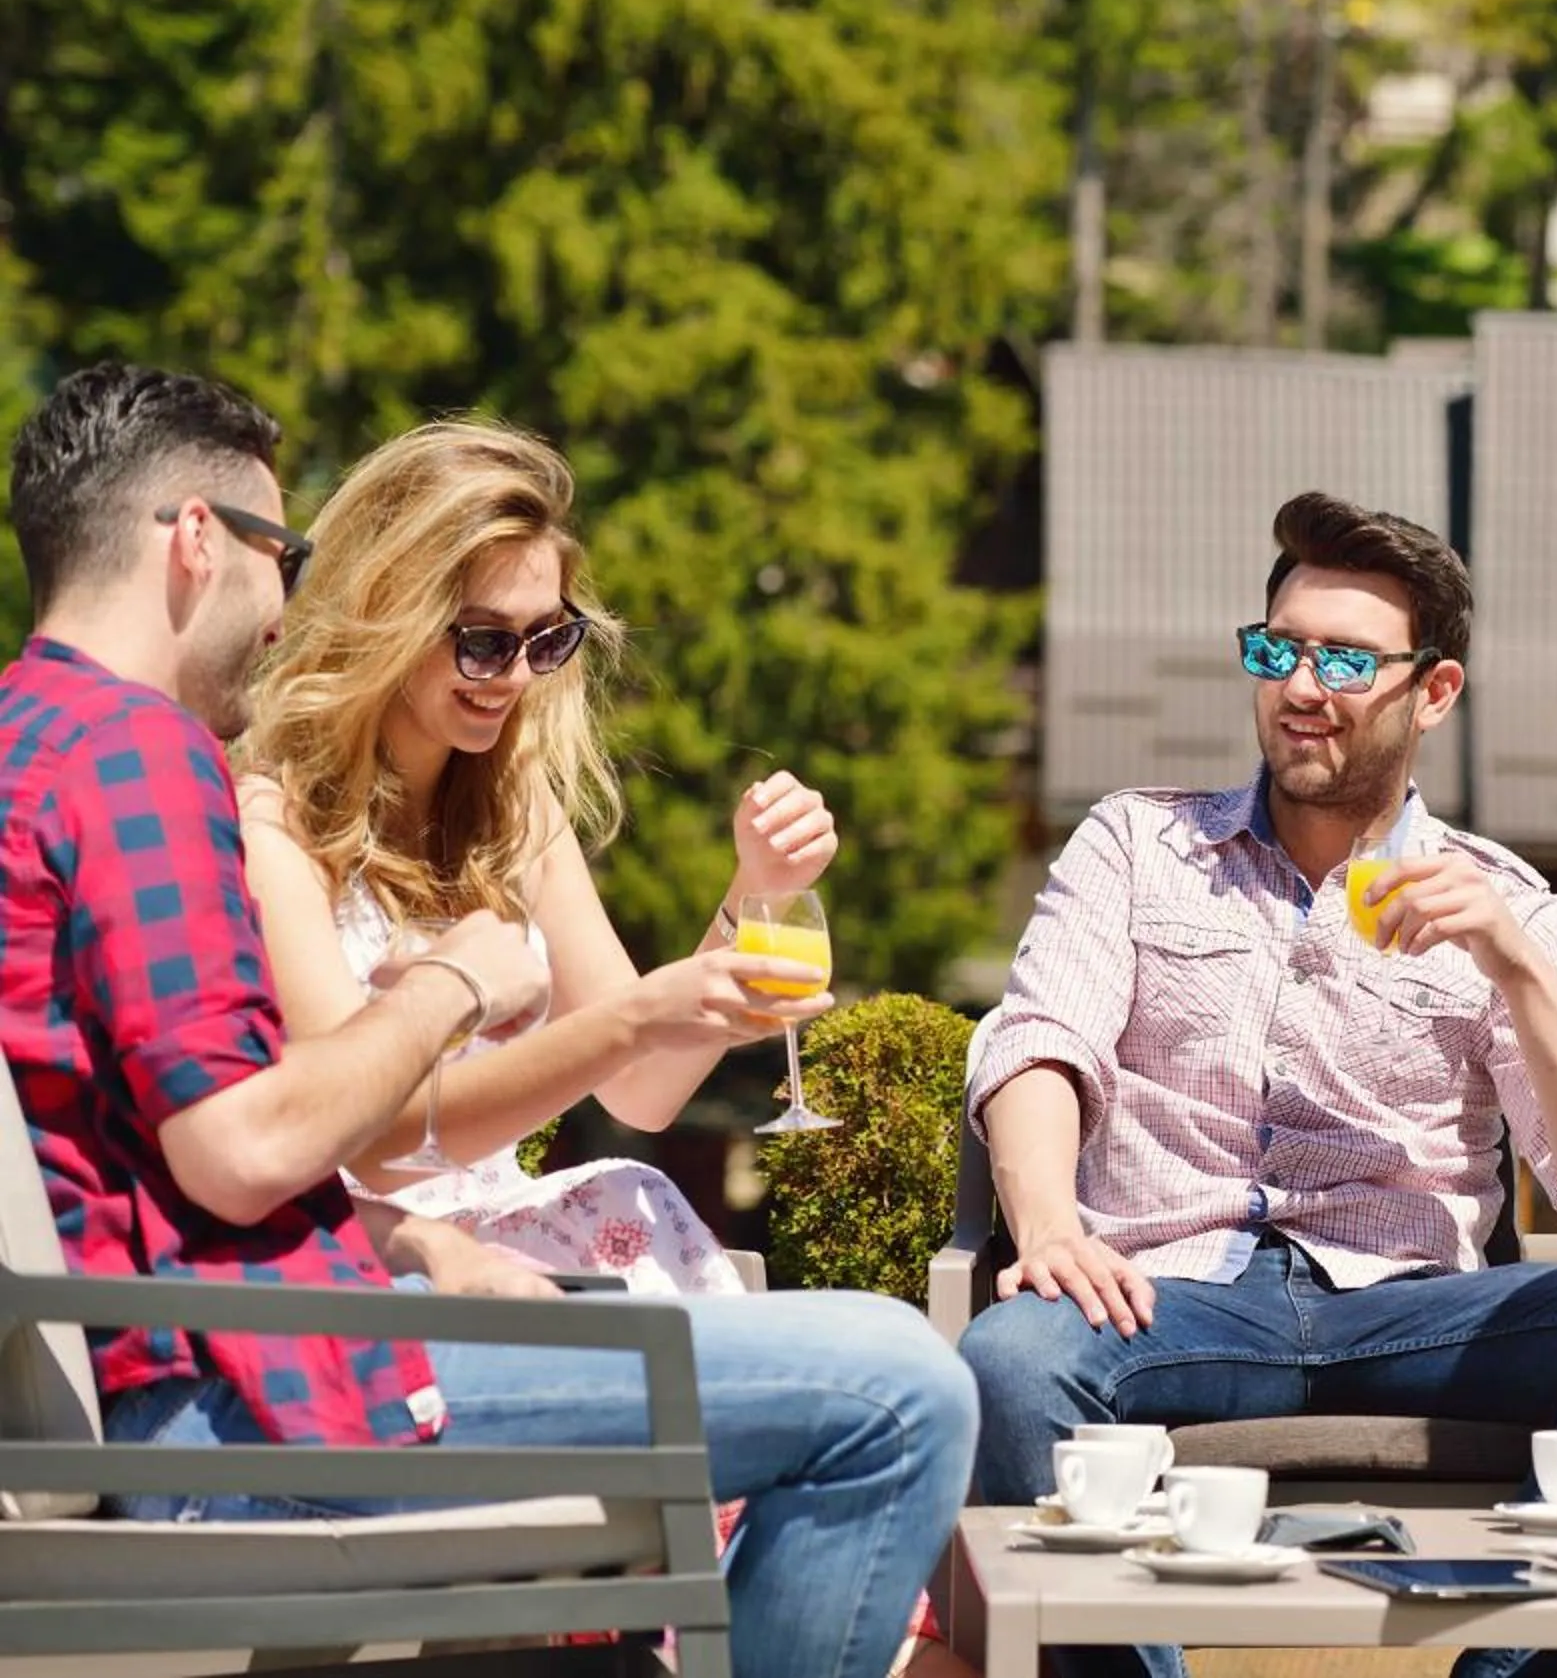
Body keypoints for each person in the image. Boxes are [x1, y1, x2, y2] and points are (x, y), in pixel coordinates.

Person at [0, 364, 973, 1678]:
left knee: (871, 1376)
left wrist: (739, 918)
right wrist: (465, 997)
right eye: (275, 552)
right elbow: (255, 1146)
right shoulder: (150, 764)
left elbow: (214, 1148)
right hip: (255, 1392)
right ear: (193, 541)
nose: (281, 605)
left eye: (548, 638)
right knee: (900, 1384)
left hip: (277, 1346)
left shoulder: (47, 742)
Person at [957, 491, 1557, 1678]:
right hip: (1167, 1301)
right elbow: (1035, 1044)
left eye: (1343, 658)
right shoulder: (1136, 845)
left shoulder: (1506, 905)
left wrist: (1515, 969)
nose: (1300, 686)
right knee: (1014, 1360)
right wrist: (1051, 1221)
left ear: (1433, 692)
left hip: (1414, 1314)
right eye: (1277, 650)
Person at [234, 419, 836, 1295]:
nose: (514, 677)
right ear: (387, 616)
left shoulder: (517, 810)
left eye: (544, 640)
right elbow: (364, 1137)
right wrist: (631, 1021)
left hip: (503, 1253)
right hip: (367, 1266)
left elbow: (641, 1092)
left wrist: (753, 898)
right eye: (482, 640)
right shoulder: (276, 824)